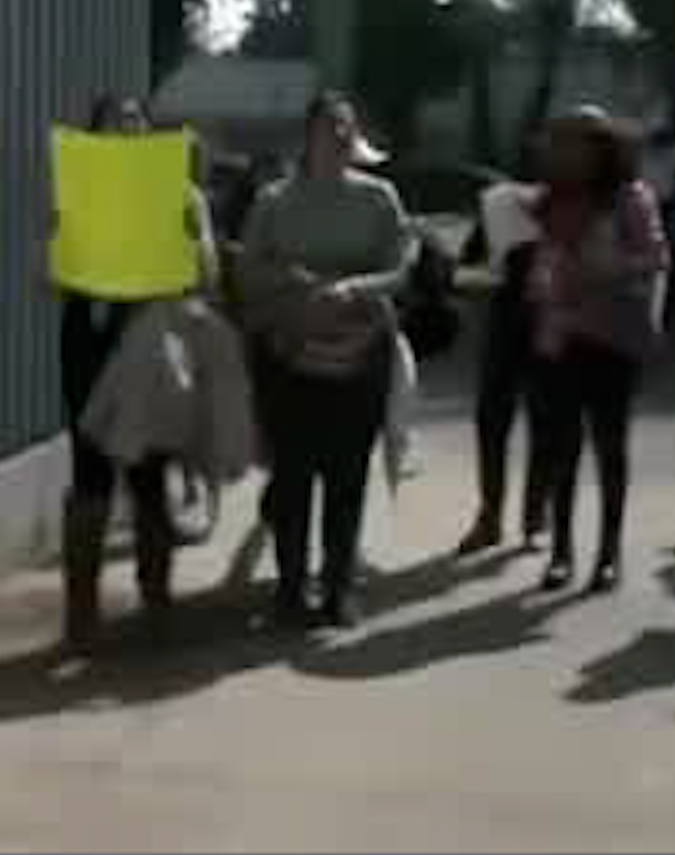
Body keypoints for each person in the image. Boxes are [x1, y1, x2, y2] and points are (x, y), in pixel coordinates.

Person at [238, 91, 415, 629]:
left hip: (360, 353)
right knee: (292, 477)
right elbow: (248, 269)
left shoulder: (379, 197)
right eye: (328, 127)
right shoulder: (274, 200)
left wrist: (357, 288)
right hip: (289, 354)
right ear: (308, 136)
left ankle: (338, 588)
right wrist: (291, 280)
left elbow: (402, 263)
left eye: (346, 127)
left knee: (347, 474)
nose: (339, 137)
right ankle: (290, 590)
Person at [57, 94, 218, 652]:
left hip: (153, 339)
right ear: (96, 136)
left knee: (152, 472)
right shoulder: (78, 191)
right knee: (92, 472)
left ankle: (156, 605)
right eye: (113, 124)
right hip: (91, 340)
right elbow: (49, 274)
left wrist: (184, 236)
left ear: (149, 134)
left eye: (135, 123)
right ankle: (81, 615)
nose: (126, 132)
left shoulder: (182, 193)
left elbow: (208, 273)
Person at [520, 110, 670, 592]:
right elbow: (538, 259)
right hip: (560, 334)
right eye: (557, 141)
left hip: (613, 338)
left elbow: (655, 257)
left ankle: (609, 554)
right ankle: (561, 551)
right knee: (561, 446)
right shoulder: (549, 200)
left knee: (610, 447)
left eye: (572, 142)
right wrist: (538, 280)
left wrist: (612, 266)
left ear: (599, 147)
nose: (561, 150)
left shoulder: (630, 198)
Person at [456, 132, 553, 555]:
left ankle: (533, 519)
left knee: (541, 422)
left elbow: (465, 269)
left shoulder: (572, 205)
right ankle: (494, 516)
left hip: (549, 325)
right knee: (495, 422)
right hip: (507, 325)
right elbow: (468, 265)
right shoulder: (496, 204)